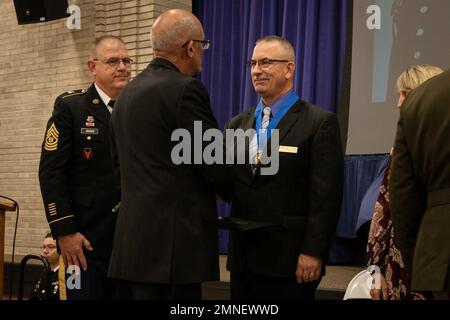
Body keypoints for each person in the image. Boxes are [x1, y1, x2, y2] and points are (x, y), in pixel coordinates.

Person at [108, 9, 228, 300]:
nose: (203, 53)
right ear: (190, 47)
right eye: (203, 45)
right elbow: (213, 162)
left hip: (131, 245)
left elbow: (118, 167)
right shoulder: (186, 90)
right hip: (173, 250)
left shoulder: (125, 94)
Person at [224, 36, 344, 300]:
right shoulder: (236, 124)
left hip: (291, 261)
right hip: (243, 260)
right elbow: (229, 183)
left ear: (289, 69)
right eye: (253, 63)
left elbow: (326, 196)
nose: (256, 70)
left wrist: (314, 251)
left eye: (266, 62)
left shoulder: (319, 122)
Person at [38, 35, 131, 299]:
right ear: (93, 66)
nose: (122, 67)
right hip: (85, 241)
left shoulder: (137, 106)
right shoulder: (71, 106)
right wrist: (64, 231)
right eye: (113, 61)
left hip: (130, 241)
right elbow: (51, 172)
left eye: (126, 60)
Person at [366, 64, 443, 300]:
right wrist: (376, 269)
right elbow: (383, 213)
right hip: (400, 266)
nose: (399, 103)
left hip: (434, 260)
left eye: (406, 94)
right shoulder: (400, 149)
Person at [390, 69, 450, 300]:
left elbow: (404, 197)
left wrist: (418, 260)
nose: (398, 102)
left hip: (439, 255)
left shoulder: (423, 99)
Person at [30, 233, 60, 300]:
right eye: (44, 247)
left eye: (50, 247)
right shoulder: (42, 273)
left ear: (61, 249)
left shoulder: (66, 275)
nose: (45, 251)